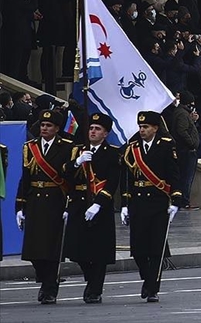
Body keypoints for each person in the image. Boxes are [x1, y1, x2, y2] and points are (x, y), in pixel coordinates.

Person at [121, 111, 183, 303]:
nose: (142, 130)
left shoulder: (165, 145)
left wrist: (176, 200)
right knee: (139, 248)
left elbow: (173, 174)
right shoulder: (133, 148)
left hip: (158, 201)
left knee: (155, 248)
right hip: (138, 201)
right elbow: (127, 178)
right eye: (140, 127)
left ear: (155, 128)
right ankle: (146, 277)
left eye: (146, 127)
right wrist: (125, 204)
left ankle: (152, 288)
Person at [15, 110, 75, 304]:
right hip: (35, 201)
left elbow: (71, 179)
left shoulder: (66, 147)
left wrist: (69, 205)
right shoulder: (30, 147)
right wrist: (19, 206)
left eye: (49, 126)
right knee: (34, 249)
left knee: (51, 248)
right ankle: (45, 278)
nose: (44, 128)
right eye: (42, 125)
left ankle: (50, 288)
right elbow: (25, 178)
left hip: (55, 200)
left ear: (57, 128)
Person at [63, 113, 122, 303]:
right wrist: (76, 163)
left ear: (105, 133)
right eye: (91, 128)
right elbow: (65, 176)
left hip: (100, 205)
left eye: (97, 129)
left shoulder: (112, 153)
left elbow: (113, 182)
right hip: (79, 204)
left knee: (99, 251)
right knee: (76, 249)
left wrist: (98, 204)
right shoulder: (78, 151)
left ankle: (95, 288)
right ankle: (91, 279)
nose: (93, 131)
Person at [169, 92, 200, 210]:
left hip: (186, 150)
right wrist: (192, 143)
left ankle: (183, 200)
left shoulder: (183, 113)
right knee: (186, 177)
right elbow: (182, 131)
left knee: (186, 177)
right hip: (186, 151)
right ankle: (184, 201)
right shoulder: (182, 114)